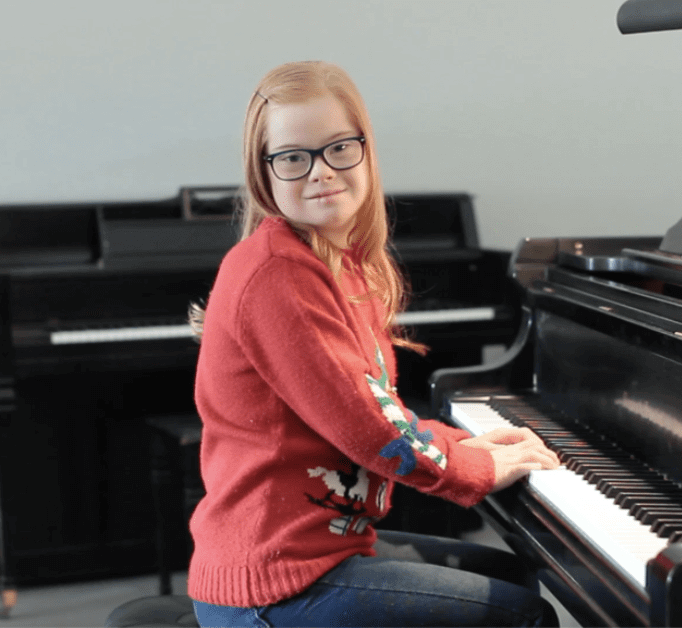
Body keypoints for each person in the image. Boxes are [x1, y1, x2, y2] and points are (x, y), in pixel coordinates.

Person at [186, 60, 561, 627]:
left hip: (318, 556)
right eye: (293, 158)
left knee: (513, 576)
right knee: (523, 616)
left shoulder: (336, 262)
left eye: (339, 147)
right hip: (270, 584)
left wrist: (469, 444)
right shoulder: (275, 275)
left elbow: (376, 409)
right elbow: (370, 430)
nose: (320, 172)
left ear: (365, 149)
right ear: (264, 173)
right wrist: (474, 467)